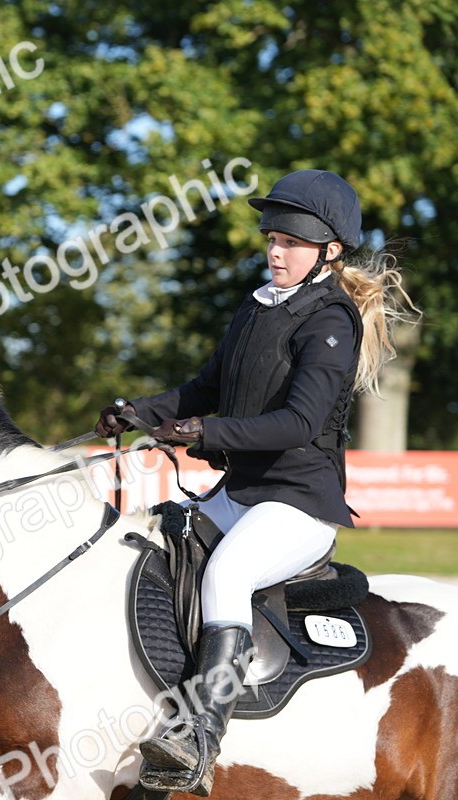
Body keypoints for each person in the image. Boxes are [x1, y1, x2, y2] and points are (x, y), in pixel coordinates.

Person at [94, 169, 416, 796]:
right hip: (240, 495)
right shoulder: (256, 306)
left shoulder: (332, 321)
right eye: (271, 237)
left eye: (290, 242)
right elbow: (204, 389)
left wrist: (203, 433)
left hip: (298, 505)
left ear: (329, 251)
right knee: (154, 546)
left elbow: (297, 422)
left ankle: (198, 738)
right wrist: (142, 411)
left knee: (228, 574)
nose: (275, 250)